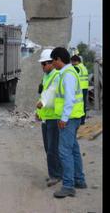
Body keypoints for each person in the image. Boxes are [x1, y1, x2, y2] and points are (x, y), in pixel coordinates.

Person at [50, 47, 87, 198]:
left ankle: (68, 185)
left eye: (53, 61)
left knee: (64, 151)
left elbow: (69, 99)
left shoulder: (68, 75)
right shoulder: (67, 73)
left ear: (59, 59)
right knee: (73, 149)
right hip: (74, 117)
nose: (53, 64)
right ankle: (79, 180)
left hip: (69, 119)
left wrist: (64, 118)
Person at [34, 48, 62, 187]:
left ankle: (55, 175)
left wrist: (42, 104)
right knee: (48, 148)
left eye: (45, 64)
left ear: (51, 63)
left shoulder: (56, 75)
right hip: (46, 118)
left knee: (52, 149)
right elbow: (43, 95)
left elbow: (51, 94)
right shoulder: (46, 76)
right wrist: (38, 112)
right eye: (42, 64)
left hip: (54, 118)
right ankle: (56, 172)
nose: (43, 66)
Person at [71, 55, 90, 125]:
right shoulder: (84, 67)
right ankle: (83, 120)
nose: (72, 63)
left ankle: (79, 120)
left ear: (76, 61)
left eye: (72, 62)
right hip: (85, 87)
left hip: (79, 88)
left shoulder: (76, 67)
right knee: (83, 104)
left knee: (78, 104)